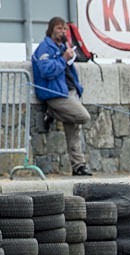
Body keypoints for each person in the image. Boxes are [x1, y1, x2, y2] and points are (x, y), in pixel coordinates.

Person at [31, 17, 92, 176]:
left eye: (65, 29)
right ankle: (51, 112)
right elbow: (47, 71)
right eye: (59, 28)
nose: (63, 32)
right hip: (55, 95)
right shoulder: (45, 48)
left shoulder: (63, 47)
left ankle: (78, 166)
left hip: (69, 91)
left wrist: (69, 58)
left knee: (73, 129)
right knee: (83, 116)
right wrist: (63, 58)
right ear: (51, 30)